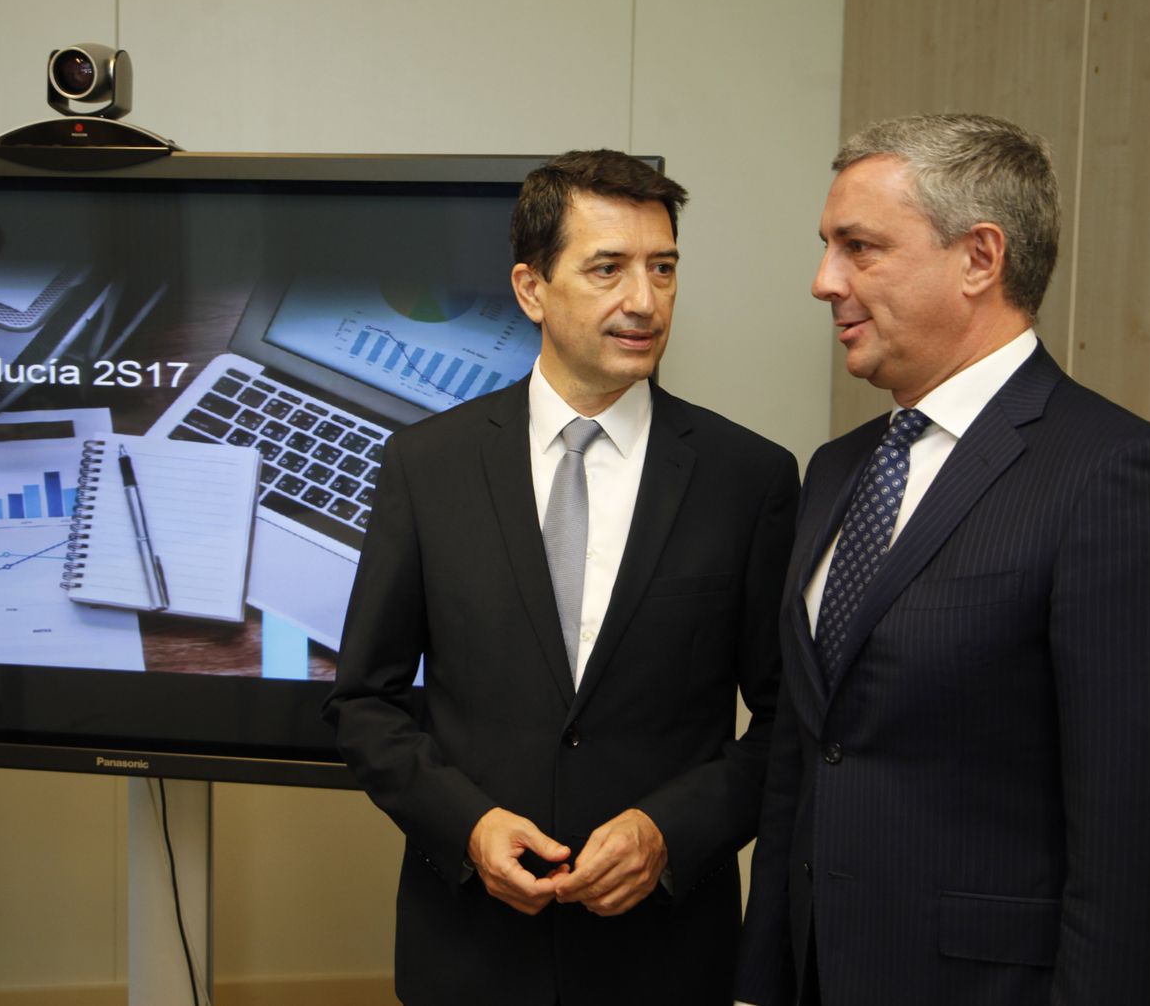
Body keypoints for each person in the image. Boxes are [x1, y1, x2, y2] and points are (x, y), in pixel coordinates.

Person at [735, 114, 1150, 1006]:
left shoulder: (1123, 480)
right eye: (827, 247)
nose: (824, 282)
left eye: (860, 248)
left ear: (979, 258)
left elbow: (1146, 853)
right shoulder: (837, 470)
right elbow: (804, 760)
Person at [324, 148, 799, 1006]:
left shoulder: (750, 478)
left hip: (663, 953)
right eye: (608, 269)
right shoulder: (428, 465)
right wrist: (466, 828)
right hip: (469, 949)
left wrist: (671, 831)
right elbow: (365, 701)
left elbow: (786, 723)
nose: (645, 301)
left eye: (663, 268)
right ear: (531, 288)